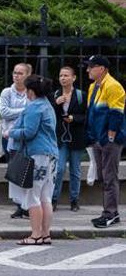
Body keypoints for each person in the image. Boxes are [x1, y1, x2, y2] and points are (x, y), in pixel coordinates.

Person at [8, 75, 58, 245]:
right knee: (46, 196)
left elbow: (29, 132)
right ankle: (45, 234)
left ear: (31, 91)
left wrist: (11, 133)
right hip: (51, 155)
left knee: (33, 195)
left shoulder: (34, 108)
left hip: (37, 155)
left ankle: (35, 235)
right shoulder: (48, 106)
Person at [84, 55, 124, 228]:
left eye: (91, 67)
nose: (87, 70)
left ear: (102, 69)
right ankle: (108, 212)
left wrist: (110, 137)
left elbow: (116, 113)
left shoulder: (113, 86)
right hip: (98, 139)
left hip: (109, 140)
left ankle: (111, 213)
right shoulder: (94, 86)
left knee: (109, 177)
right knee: (103, 176)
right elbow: (92, 113)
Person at [51, 66, 86, 212]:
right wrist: (56, 104)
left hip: (76, 138)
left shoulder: (80, 95)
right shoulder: (55, 94)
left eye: (66, 75)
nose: (63, 78)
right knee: (58, 169)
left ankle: (74, 200)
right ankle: (53, 199)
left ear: (73, 78)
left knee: (75, 171)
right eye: (61, 76)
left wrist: (74, 118)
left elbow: (85, 116)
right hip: (61, 138)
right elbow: (50, 115)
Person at [1, 63, 33, 219]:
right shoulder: (7, 92)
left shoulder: (31, 93)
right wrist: (25, 111)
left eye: (20, 73)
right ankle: (19, 205)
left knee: (27, 172)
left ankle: (28, 205)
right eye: (15, 72)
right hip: (10, 137)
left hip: (27, 137)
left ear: (27, 75)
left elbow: (33, 113)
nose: (16, 76)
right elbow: (4, 112)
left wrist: (21, 113)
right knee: (15, 172)